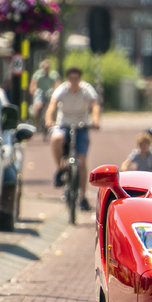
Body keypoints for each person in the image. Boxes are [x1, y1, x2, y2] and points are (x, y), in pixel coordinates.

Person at [45, 66, 101, 211]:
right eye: (71, 78)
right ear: (67, 79)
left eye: (76, 79)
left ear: (80, 79)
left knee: (81, 162)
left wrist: (96, 120)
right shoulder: (62, 90)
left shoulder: (86, 89)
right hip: (64, 125)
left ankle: (82, 197)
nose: (74, 81)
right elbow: (52, 106)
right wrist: (49, 120)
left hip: (82, 126)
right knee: (56, 139)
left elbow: (95, 105)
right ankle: (59, 169)